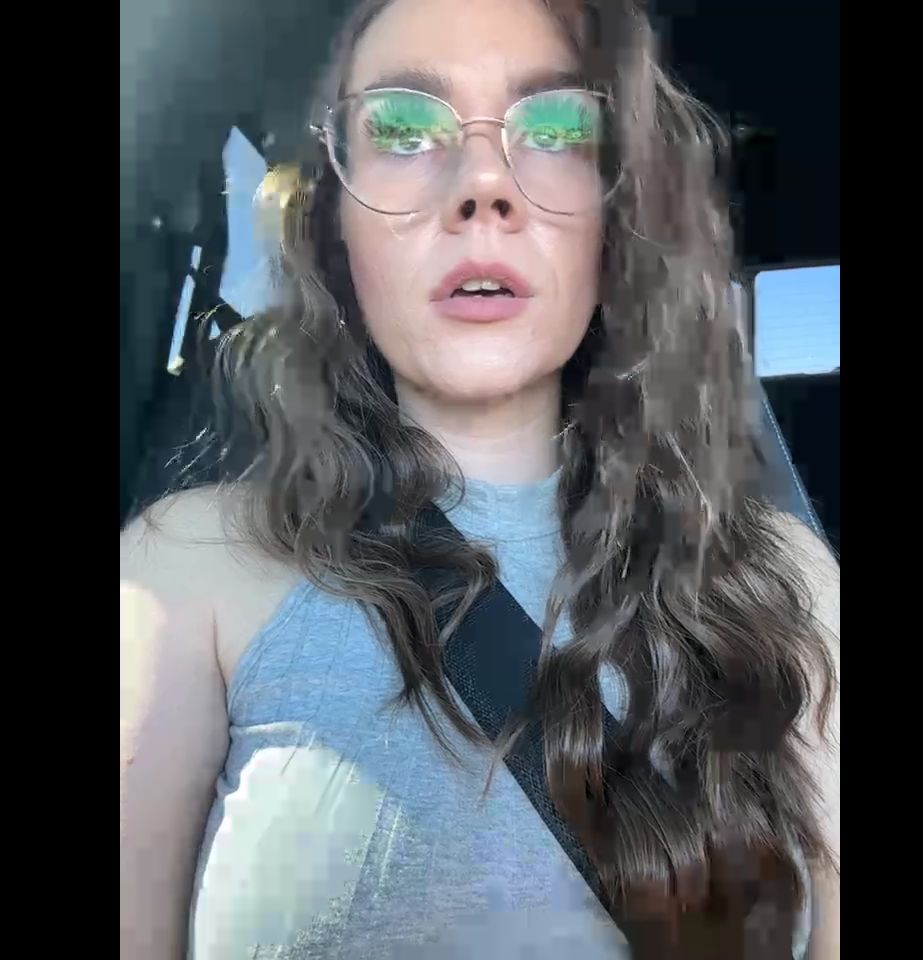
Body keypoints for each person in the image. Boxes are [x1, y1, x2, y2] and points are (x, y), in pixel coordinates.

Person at [119, 0, 840, 957]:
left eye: (559, 128)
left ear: (614, 218)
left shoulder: (787, 582)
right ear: (335, 225)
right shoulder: (182, 573)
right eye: (402, 129)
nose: (484, 184)